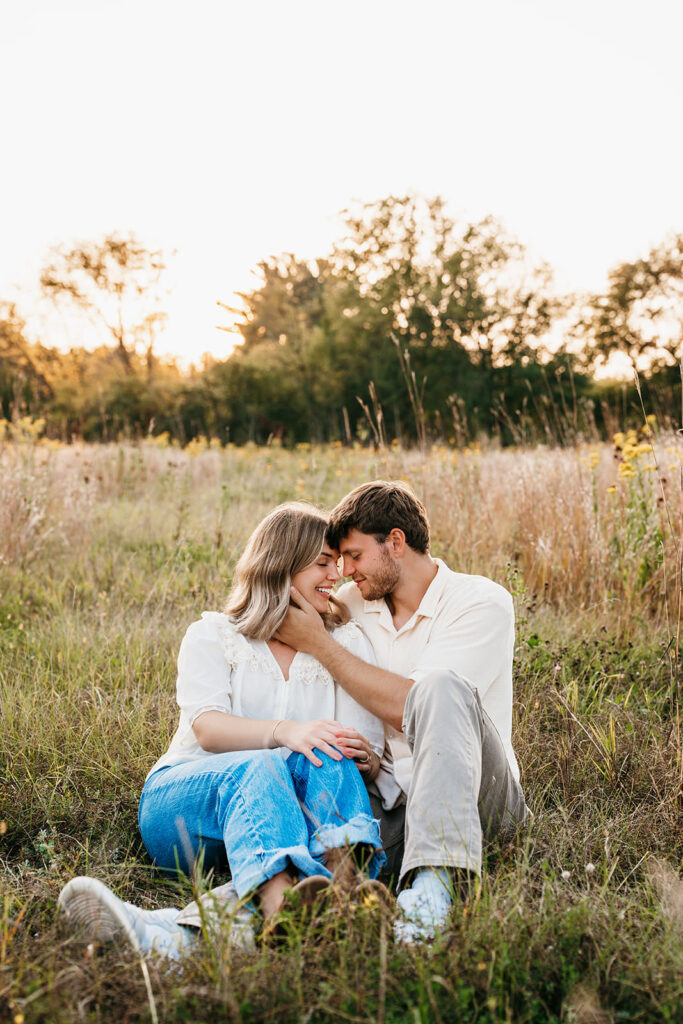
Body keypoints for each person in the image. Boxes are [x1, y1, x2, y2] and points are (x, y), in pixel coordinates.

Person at [58, 503, 387, 956]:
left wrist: (363, 755)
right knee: (260, 765)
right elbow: (209, 730)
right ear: (282, 564)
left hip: (285, 823)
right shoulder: (214, 634)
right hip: (187, 807)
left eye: (338, 563)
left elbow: (364, 752)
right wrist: (284, 731)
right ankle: (280, 906)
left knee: (330, 754)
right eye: (323, 563)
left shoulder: (344, 643)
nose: (338, 575)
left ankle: (341, 890)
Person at [275, 480, 530, 943]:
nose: (345, 571)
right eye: (340, 559)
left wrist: (320, 644)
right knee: (309, 853)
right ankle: (184, 926)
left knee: (439, 686)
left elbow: (409, 707)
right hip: (390, 805)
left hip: (479, 798)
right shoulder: (354, 603)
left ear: (395, 542)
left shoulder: (480, 602)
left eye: (354, 555)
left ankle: (433, 891)